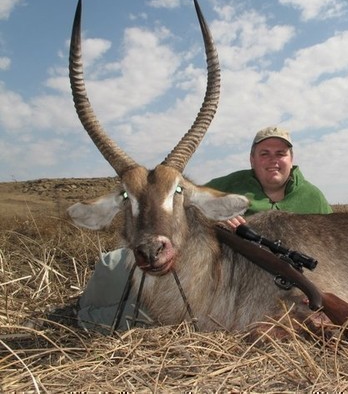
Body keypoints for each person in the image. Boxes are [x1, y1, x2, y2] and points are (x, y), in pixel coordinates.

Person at [76, 126, 332, 332]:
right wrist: (218, 219)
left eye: (280, 153)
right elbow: (182, 201)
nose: (273, 160)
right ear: (252, 159)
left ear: (291, 158)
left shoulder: (313, 196)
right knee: (111, 265)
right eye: (265, 153)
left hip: (275, 273)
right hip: (230, 263)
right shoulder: (231, 183)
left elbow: (329, 243)